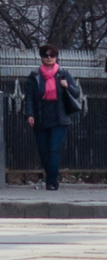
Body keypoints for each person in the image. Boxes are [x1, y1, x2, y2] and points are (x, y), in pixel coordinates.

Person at [24, 43, 83, 192]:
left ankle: (51, 181)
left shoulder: (63, 74)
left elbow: (76, 93)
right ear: (41, 57)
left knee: (54, 149)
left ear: (56, 57)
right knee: (43, 151)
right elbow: (29, 97)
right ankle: (51, 177)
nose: (49, 58)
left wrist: (66, 86)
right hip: (41, 117)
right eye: (46, 55)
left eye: (52, 55)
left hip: (59, 118)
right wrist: (30, 114)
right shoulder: (35, 76)